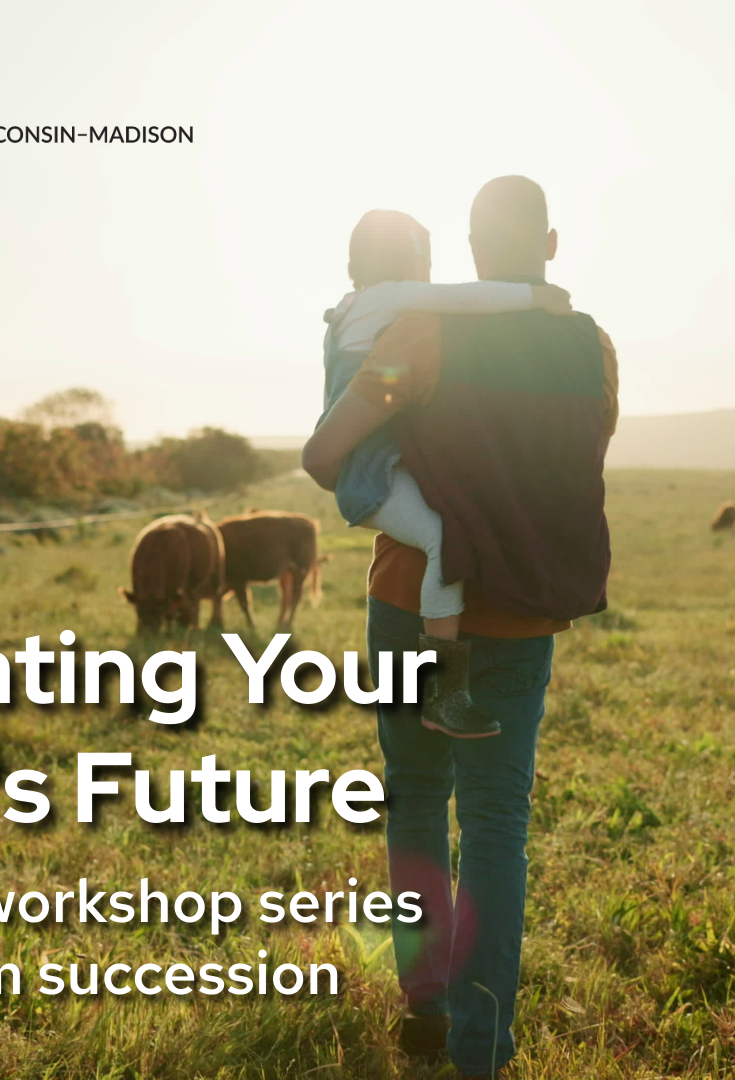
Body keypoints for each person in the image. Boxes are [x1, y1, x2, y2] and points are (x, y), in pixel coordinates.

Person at [303, 176, 618, 1080]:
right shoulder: (592, 348)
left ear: (469, 253)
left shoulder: (423, 331)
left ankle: (426, 1009)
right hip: (522, 612)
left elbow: (327, 455)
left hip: (410, 604)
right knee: (494, 830)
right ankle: (483, 1055)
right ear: (549, 245)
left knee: (412, 802)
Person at [320, 208, 572, 738]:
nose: (431, 274)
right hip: (374, 471)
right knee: (444, 538)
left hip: (377, 465)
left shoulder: (353, 307)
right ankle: (443, 689)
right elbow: (468, 299)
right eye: (426, 260)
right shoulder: (390, 299)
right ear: (409, 262)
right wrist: (535, 298)